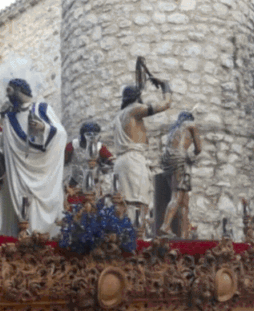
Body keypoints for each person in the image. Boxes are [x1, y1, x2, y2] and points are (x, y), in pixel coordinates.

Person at [0, 79, 67, 237]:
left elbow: (59, 133)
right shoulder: (2, 124)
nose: (7, 96)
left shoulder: (38, 110)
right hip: (7, 171)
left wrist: (43, 128)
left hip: (29, 167)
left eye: (10, 91)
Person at [112, 81, 172, 222]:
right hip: (134, 161)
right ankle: (136, 239)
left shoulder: (118, 116)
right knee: (138, 204)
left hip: (121, 162)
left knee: (122, 204)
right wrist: (166, 87)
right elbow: (166, 104)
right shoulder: (134, 109)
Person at [158, 110, 201, 238]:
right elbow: (199, 149)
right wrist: (191, 156)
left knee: (184, 201)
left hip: (168, 164)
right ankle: (165, 226)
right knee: (177, 197)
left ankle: (184, 233)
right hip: (180, 162)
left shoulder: (173, 130)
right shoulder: (191, 127)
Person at [64, 121, 114, 188]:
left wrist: (99, 162)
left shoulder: (100, 147)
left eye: (94, 134)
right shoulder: (72, 145)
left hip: (94, 183)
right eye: (88, 134)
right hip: (75, 183)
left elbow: (111, 164)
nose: (91, 137)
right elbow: (63, 163)